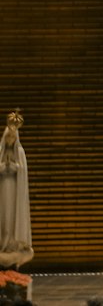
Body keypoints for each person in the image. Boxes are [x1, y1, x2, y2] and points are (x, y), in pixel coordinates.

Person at [0, 111, 31, 268]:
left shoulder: (19, 152)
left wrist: (14, 167)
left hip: (13, 190)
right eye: (8, 137)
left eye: (12, 137)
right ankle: (3, 243)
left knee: (12, 217)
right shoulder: (1, 152)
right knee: (4, 217)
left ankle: (12, 243)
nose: (10, 140)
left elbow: (22, 170)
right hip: (3, 189)